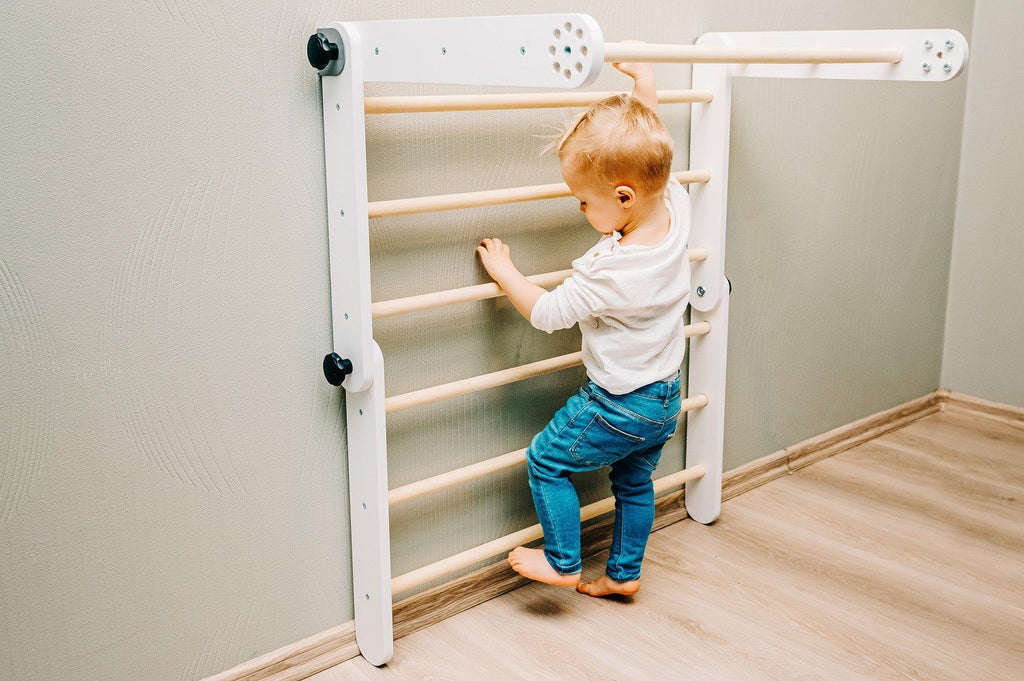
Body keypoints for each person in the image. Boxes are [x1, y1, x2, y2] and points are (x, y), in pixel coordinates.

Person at [475, 58, 691, 598]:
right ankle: (624, 575)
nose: (580, 209)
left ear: (623, 198)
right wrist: (644, 86)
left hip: (617, 404)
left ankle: (563, 560)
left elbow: (548, 314)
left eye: (584, 202)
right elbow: (651, 151)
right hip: (665, 398)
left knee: (546, 460)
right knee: (634, 483)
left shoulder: (609, 272)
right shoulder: (673, 205)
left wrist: (506, 272)